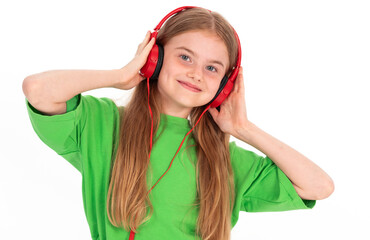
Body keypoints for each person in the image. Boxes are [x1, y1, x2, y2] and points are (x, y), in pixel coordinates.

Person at [22, 6, 334, 240]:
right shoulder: (102, 125)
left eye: (212, 68)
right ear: (154, 58)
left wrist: (243, 129)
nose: (197, 73)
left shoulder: (228, 160)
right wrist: (120, 77)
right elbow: (37, 90)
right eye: (185, 57)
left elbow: (319, 186)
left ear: (225, 85)